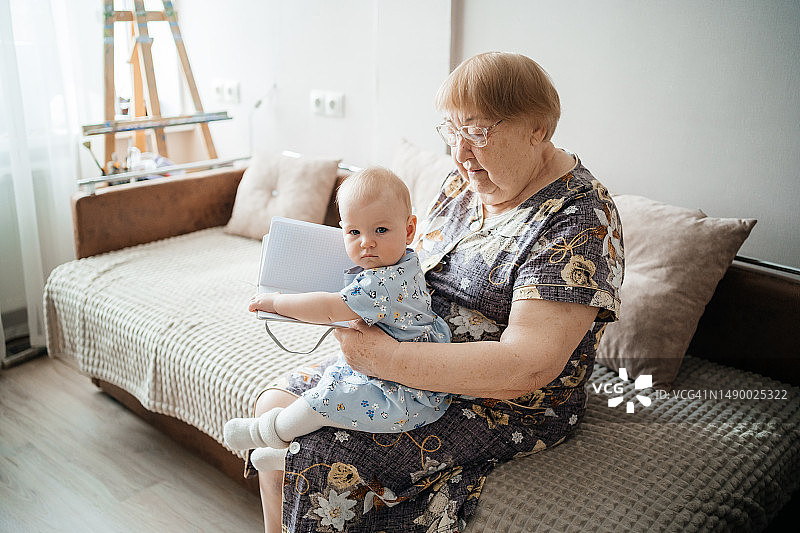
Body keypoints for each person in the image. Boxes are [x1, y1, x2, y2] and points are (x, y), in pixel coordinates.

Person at [249, 51, 624, 533]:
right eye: (451, 132)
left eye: (477, 133)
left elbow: (528, 365)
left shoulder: (577, 218)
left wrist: (382, 359)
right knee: (273, 405)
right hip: (411, 343)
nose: (460, 155)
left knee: (315, 448)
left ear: (539, 129)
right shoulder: (470, 178)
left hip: (497, 399)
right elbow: (406, 258)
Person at [224, 166, 451, 471]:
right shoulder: (406, 261)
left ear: (409, 230)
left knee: (328, 398)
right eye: (354, 232)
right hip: (393, 371)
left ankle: (269, 432)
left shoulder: (382, 283)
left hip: (406, 393)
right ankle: (289, 455)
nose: (366, 243)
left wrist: (277, 302)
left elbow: (330, 308)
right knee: (334, 381)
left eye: (380, 231)